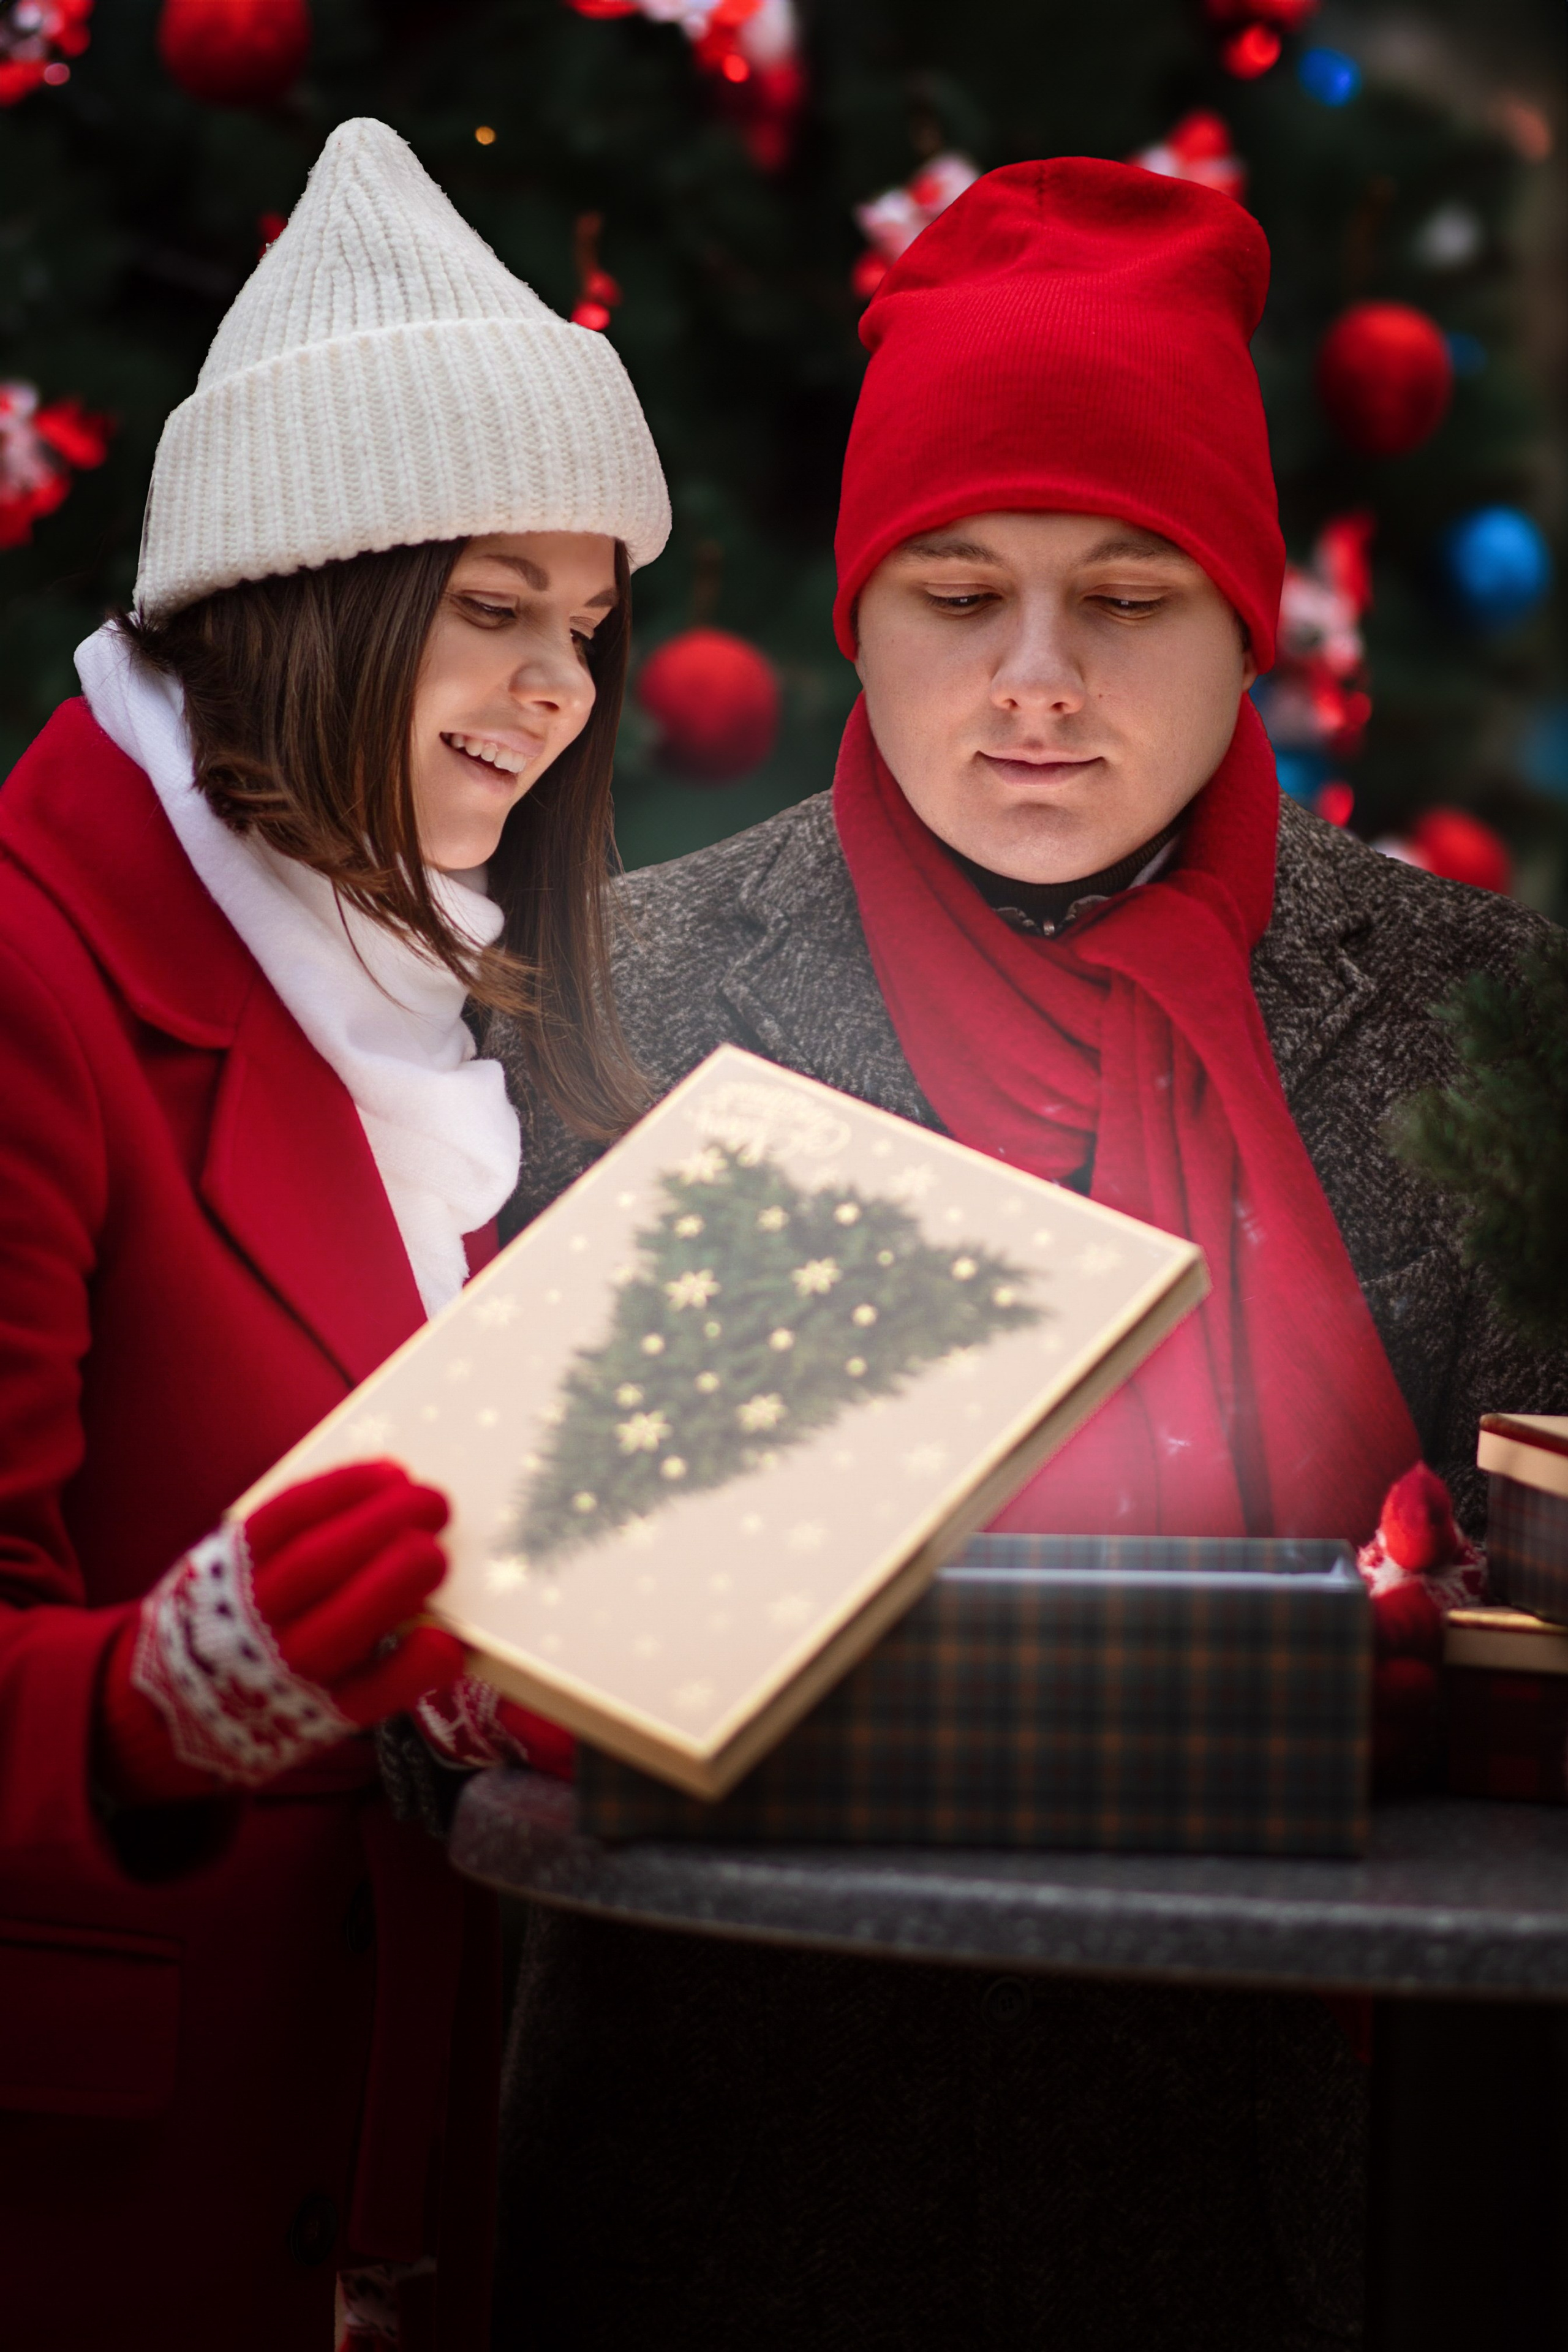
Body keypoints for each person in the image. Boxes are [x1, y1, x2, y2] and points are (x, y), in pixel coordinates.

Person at [486, 163, 1567, 2349]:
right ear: (859, 612)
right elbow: (466, 1653)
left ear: (1248, 619)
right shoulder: (617, 990)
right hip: (719, 2179)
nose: (1038, 684)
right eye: (959, 594)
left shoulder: (1481, 1016)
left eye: (1131, 597)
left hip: (1314, 2205)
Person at [0, 118, 667, 2352]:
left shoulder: (414, 996)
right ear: (308, 589)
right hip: (108, 2201)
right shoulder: (32, 982)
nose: (563, 686)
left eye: (583, 622)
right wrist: (156, 1701)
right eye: (493, 608)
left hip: (383, 2165)